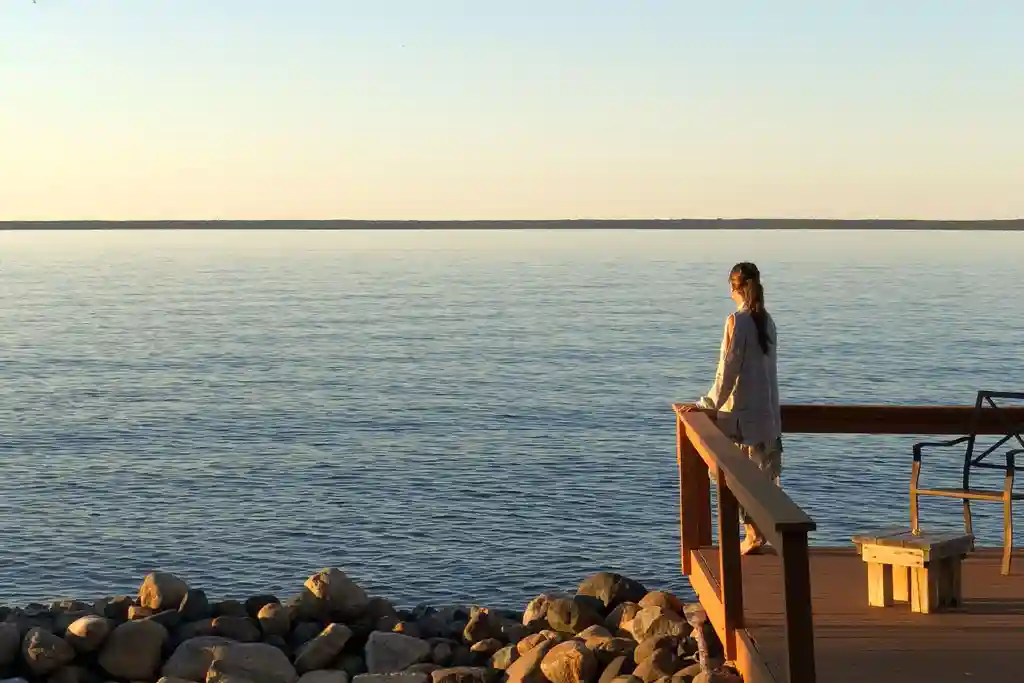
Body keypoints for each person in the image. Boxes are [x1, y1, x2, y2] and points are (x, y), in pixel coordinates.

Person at [684, 262, 782, 555]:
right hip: (767, 417)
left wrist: (706, 404)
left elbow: (727, 371)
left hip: (742, 419)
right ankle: (756, 534)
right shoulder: (767, 321)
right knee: (761, 481)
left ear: (733, 287)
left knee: (732, 479)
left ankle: (752, 535)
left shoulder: (737, 322)